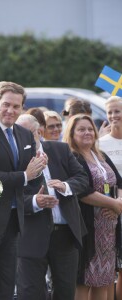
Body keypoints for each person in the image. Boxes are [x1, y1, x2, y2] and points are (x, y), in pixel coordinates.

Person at [0, 81, 47, 300]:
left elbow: (30, 180)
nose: (11, 110)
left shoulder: (25, 135)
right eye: (6, 104)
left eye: (16, 107)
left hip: (15, 217)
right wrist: (26, 175)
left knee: (8, 280)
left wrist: (37, 171)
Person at [16, 114, 89, 300]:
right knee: (30, 293)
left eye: (26, 134)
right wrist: (34, 202)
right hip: (31, 235)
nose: (21, 139)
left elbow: (82, 178)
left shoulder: (60, 149)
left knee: (65, 291)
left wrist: (65, 186)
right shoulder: (14, 158)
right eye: (17, 134)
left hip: (65, 234)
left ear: (39, 132)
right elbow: (9, 196)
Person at [63, 114, 122, 300]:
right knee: (84, 280)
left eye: (90, 129)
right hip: (88, 229)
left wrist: (118, 202)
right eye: (81, 129)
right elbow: (82, 191)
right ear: (72, 134)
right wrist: (113, 204)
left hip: (109, 229)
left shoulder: (100, 155)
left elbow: (119, 183)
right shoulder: (72, 157)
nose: (87, 132)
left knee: (104, 280)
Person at [99, 96, 122, 299]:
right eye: (110, 112)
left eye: (118, 111)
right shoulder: (101, 144)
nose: (114, 116)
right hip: (111, 210)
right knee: (112, 267)